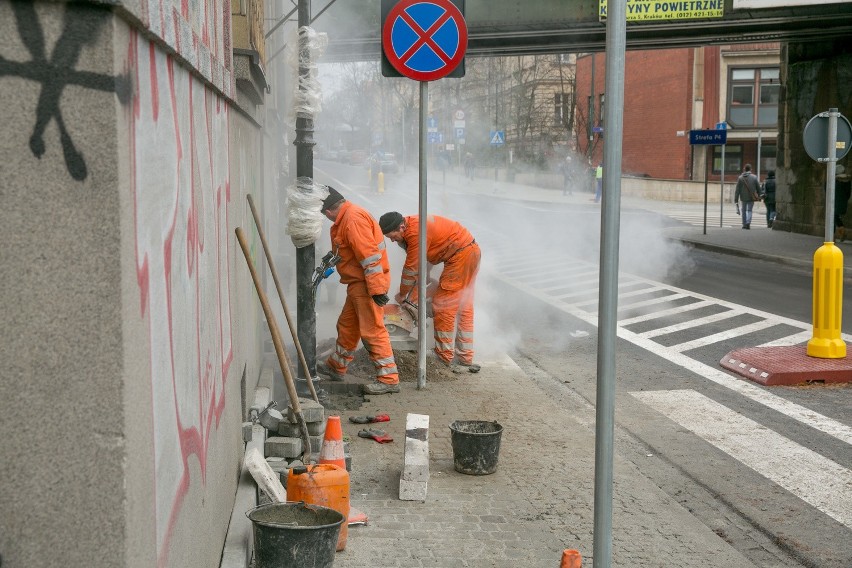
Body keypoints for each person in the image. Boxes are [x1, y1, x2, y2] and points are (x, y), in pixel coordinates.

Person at [317, 187, 400, 395]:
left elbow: (369, 256)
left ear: (327, 212)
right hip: (359, 284)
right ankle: (336, 366)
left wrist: (377, 289)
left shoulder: (352, 219)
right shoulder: (348, 216)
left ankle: (389, 379)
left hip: (367, 284)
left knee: (372, 331)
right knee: (347, 326)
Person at [379, 212, 481, 373]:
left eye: (392, 236)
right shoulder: (412, 227)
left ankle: (443, 356)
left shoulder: (415, 233)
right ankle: (465, 356)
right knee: (463, 304)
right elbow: (423, 259)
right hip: (469, 252)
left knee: (443, 305)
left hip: (460, 257)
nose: (392, 240)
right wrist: (423, 277)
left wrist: (403, 295)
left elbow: (411, 268)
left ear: (401, 227)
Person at [734, 163, 760, 229]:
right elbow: (758, 187)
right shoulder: (754, 177)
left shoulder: (740, 178)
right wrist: (759, 195)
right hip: (752, 197)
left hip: (743, 197)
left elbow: (737, 190)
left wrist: (736, 199)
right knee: (750, 210)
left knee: (743, 210)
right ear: (751, 169)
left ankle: (744, 224)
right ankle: (748, 222)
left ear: (744, 169)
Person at [835, 165, 852, 242]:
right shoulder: (848, 181)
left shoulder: (835, 181)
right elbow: (848, 193)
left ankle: (833, 236)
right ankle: (841, 232)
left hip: (834, 202)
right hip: (843, 202)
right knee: (836, 217)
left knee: (833, 217)